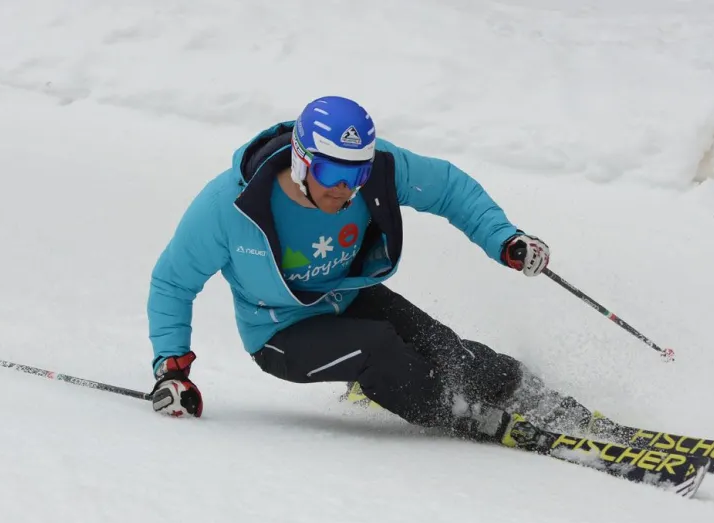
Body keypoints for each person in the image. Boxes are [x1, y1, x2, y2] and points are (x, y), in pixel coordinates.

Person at [146, 96, 593, 442]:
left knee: (446, 349)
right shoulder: (228, 206)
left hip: (346, 297)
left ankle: (537, 397)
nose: (345, 189)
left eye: (356, 174)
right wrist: (171, 369)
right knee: (379, 348)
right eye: (331, 172)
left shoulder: (376, 172)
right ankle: (458, 412)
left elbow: (449, 188)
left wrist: (504, 238)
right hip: (280, 334)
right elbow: (172, 282)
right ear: (302, 160)